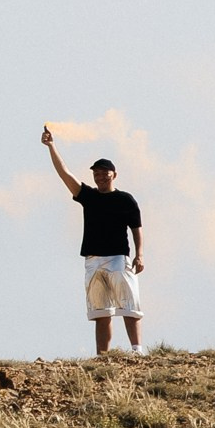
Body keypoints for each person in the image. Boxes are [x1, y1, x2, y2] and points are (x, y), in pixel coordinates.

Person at [44, 126, 145, 353]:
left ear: (114, 174)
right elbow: (65, 174)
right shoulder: (88, 197)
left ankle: (137, 350)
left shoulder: (125, 199)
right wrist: (51, 146)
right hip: (92, 259)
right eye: (96, 173)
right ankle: (102, 354)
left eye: (104, 172)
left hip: (118, 257)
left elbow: (137, 228)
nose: (100, 176)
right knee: (100, 311)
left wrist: (139, 255)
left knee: (129, 305)